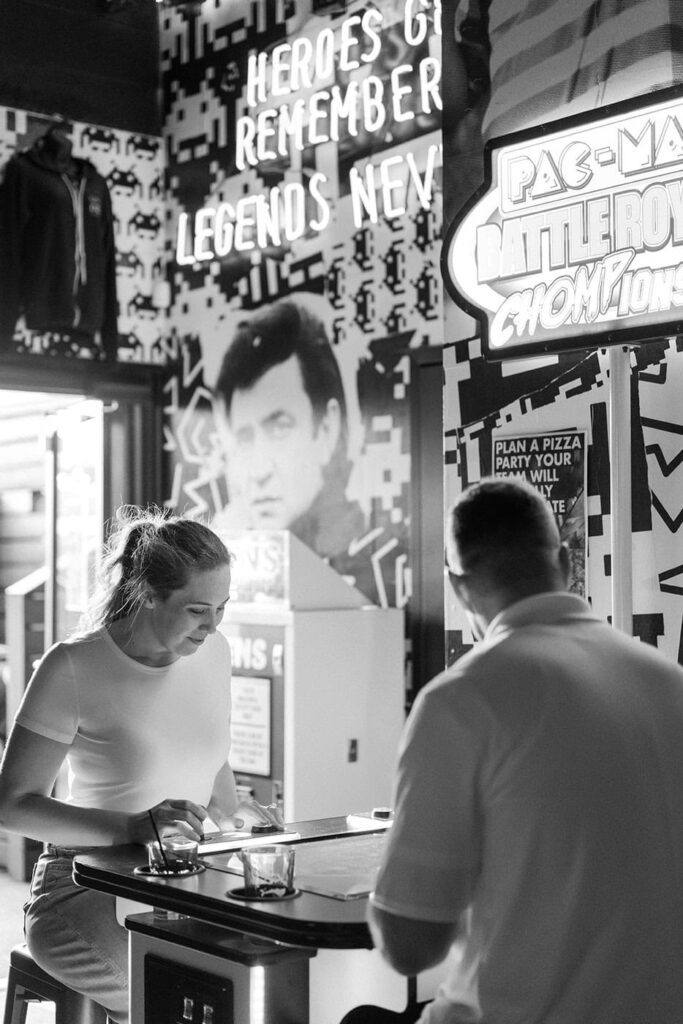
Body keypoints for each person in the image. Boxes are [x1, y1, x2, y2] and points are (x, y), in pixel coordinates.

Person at [361, 476, 683, 1024]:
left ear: (458, 587)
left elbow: (410, 945)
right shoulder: (668, 680)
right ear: (563, 563)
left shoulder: (463, 699)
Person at [0, 506, 282, 1024]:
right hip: (83, 885)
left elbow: (210, 758)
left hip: (182, 877)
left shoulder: (214, 651)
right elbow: (11, 807)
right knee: (186, 993)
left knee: (263, 975)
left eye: (222, 606)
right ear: (149, 593)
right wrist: (132, 826)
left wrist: (238, 815)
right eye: (198, 609)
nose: (213, 624)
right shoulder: (73, 666)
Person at [212, 294, 366, 562]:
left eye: (279, 429)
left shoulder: (364, 556)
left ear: (327, 429)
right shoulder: (238, 557)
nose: (259, 472)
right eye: (245, 439)